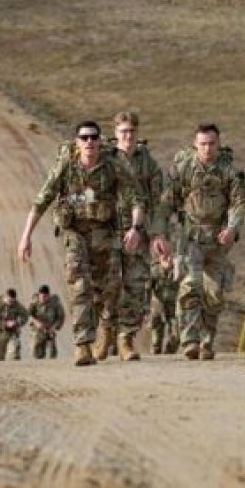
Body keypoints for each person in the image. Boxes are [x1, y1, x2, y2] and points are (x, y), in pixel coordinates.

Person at [18, 120, 147, 367]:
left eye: (93, 138)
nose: (89, 142)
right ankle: (82, 345)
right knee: (80, 286)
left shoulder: (113, 166)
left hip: (104, 233)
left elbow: (136, 199)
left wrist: (135, 228)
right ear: (77, 143)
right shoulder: (66, 166)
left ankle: (107, 330)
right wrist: (26, 236)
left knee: (108, 290)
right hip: (74, 232)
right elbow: (41, 200)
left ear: (100, 141)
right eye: (84, 138)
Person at [152, 123, 245, 361]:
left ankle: (207, 339)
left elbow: (239, 204)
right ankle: (190, 340)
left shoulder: (229, 172)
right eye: (203, 144)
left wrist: (231, 228)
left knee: (214, 293)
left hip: (218, 240)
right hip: (189, 238)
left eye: (211, 143)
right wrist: (161, 235)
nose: (207, 149)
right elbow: (165, 205)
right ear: (195, 144)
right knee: (190, 286)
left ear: (218, 144)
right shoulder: (183, 169)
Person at [100, 111, 163, 361]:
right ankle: (106, 331)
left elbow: (158, 200)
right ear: (115, 134)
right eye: (123, 132)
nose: (128, 136)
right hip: (108, 230)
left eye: (132, 131)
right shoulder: (105, 159)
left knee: (136, 285)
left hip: (138, 232)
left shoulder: (147, 162)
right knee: (109, 284)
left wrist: (157, 233)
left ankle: (126, 337)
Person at [149, 252, 180, 354]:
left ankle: (169, 351)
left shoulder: (179, 270)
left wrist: (177, 268)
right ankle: (156, 349)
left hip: (174, 306)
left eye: (170, 256)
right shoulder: (154, 270)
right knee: (156, 340)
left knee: (176, 334)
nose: (167, 259)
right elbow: (146, 290)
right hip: (158, 306)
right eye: (164, 257)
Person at [0, 288, 30, 361]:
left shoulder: (17, 305)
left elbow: (26, 315)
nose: (11, 303)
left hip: (12, 331)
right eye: (9, 301)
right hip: (0, 331)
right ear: (5, 297)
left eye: (13, 301)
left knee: (15, 353)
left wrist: (17, 322)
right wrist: (5, 324)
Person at [28, 285, 66, 359]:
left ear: (49, 295)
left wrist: (55, 326)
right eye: (41, 297)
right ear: (39, 295)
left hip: (50, 329)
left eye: (45, 296)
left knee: (52, 352)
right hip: (38, 330)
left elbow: (61, 317)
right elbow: (29, 315)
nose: (43, 299)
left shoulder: (55, 303)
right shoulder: (34, 302)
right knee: (37, 352)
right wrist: (36, 322)